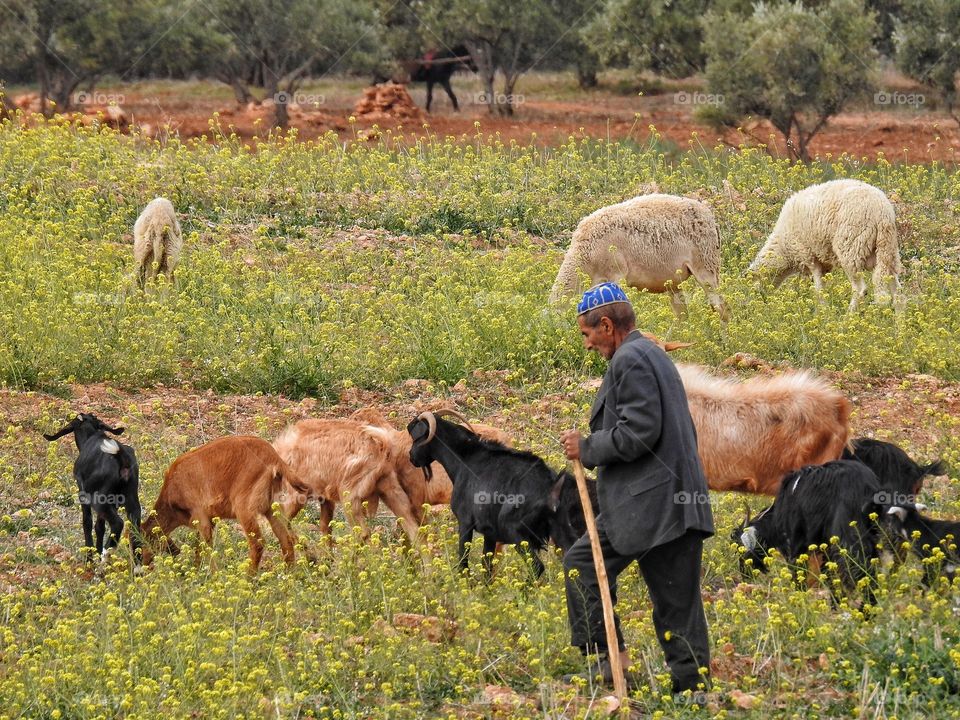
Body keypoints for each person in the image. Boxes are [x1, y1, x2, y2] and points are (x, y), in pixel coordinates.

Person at [559, 281, 714, 698]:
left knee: (668, 597)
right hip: (661, 501)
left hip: (655, 506)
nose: (588, 344)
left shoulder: (630, 359)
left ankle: (684, 686)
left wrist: (588, 448)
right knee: (668, 596)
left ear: (606, 325)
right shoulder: (648, 352)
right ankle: (618, 664)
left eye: (587, 334)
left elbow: (640, 431)